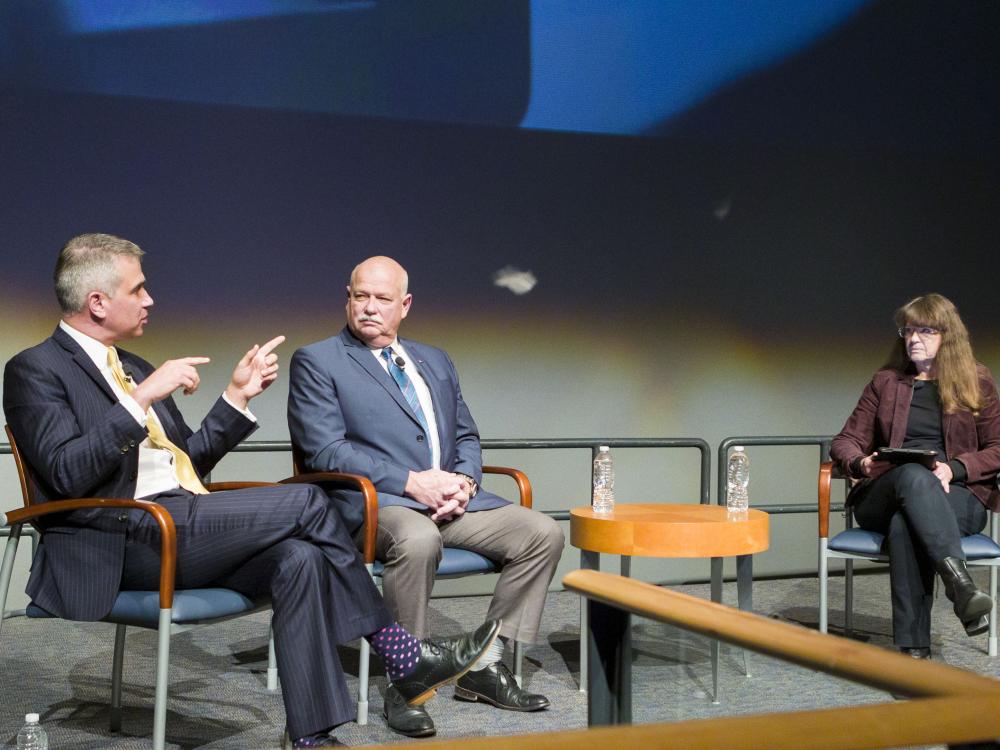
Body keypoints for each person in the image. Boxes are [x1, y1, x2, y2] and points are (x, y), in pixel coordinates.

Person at [3, 234, 500, 749]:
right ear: (98, 301)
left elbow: (187, 468)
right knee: (310, 498)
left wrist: (234, 397)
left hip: (180, 525)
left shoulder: (135, 366)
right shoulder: (35, 370)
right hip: (117, 541)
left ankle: (310, 735)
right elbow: (66, 472)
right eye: (139, 289)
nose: (150, 300)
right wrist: (142, 397)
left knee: (300, 557)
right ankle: (401, 652)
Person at [288, 256, 564, 738]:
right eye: (360, 296)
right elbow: (324, 449)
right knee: (417, 539)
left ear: (405, 305)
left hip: (450, 504)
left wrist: (465, 484)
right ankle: (407, 678)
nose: (369, 308)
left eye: (382, 299)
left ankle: (483, 667)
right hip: (376, 506)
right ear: (347, 298)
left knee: (541, 533)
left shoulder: (434, 360)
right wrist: (414, 482)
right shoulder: (319, 360)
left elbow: (467, 435)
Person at [831, 293, 999, 659]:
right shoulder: (885, 383)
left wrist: (953, 468)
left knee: (905, 524)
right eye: (908, 330)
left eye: (924, 330)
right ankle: (961, 587)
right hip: (886, 489)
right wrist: (861, 464)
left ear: (947, 336)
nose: (913, 339)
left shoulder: (978, 383)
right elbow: (845, 441)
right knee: (911, 475)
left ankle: (913, 653)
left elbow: (997, 448)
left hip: (958, 495)